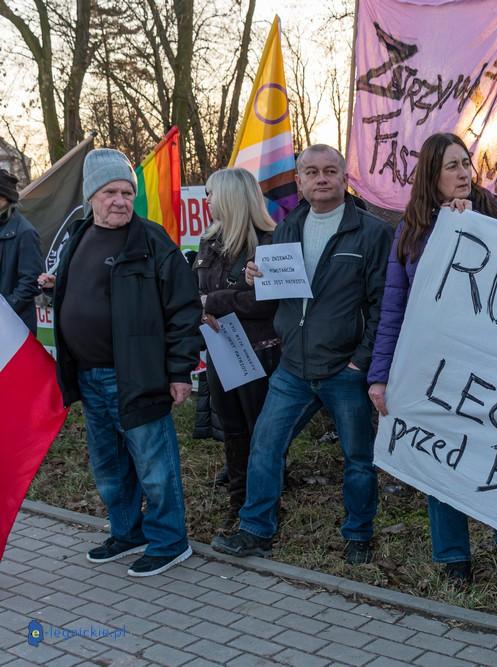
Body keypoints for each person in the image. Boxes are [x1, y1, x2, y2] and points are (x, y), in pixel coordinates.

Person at [367, 132, 497, 609]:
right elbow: (394, 308)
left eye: (467, 163)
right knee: (441, 464)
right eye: (451, 166)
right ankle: (453, 561)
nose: (464, 173)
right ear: (432, 175)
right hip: (435, 373)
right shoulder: (410, 231)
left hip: (492, 372)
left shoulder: (492, 214)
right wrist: (381, 376)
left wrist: (476, 232)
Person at [211, 144, 392, 565]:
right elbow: (274, 293)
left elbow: (384, 304)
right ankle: (256, 531)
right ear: (300, 180)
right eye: (311, 172)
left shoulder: (371, 232)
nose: (321, 178)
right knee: (265, 446)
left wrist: (361, 361)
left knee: (358, 460)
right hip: (293, 367)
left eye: (330, 170)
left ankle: (359, 535)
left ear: (345, 177)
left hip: (344, 367)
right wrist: (252, 275)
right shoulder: (287, 229)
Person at [38, 148, 201, 577]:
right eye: (110, 191)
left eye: (127, 192)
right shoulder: (78, 235)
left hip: (138, 375)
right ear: (92, 195)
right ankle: (129, 532)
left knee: (154, 463)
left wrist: (180, 370)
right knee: (109, 465)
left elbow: (183, 309)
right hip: (89, 376)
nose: (120, 200)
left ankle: (170, 541)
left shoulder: (151, 241)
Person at [194, 168, 279, 524]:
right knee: (232, 429)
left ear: (229, 196)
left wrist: (211, 302)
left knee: (261, 432)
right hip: (221, 349)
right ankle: (239, 500)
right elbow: (193, 292)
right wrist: (204, 307)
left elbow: (264, 302)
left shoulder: (269, 240)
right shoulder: (209, 242)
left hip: (259, 350)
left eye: (211, 193)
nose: (207, 200)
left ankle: (265, 501)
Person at [0, 168, 42, 333]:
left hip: (14, 327)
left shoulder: (25, 233)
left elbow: (31, 282)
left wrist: (5, 310)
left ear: (6, 197)